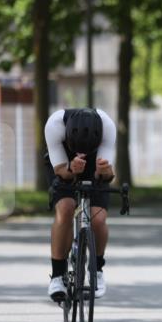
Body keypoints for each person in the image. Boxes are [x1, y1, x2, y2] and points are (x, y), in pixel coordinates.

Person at [44, 107, 117, 302]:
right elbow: (60, 171)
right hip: (64, 161)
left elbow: (107, 176)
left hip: (96, 161)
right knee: (66, 208)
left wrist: (103, 171)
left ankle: (97, 270)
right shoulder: (54, 126)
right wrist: (71, 170)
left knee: (98, 218)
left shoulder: (107, 126)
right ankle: (58, 276)